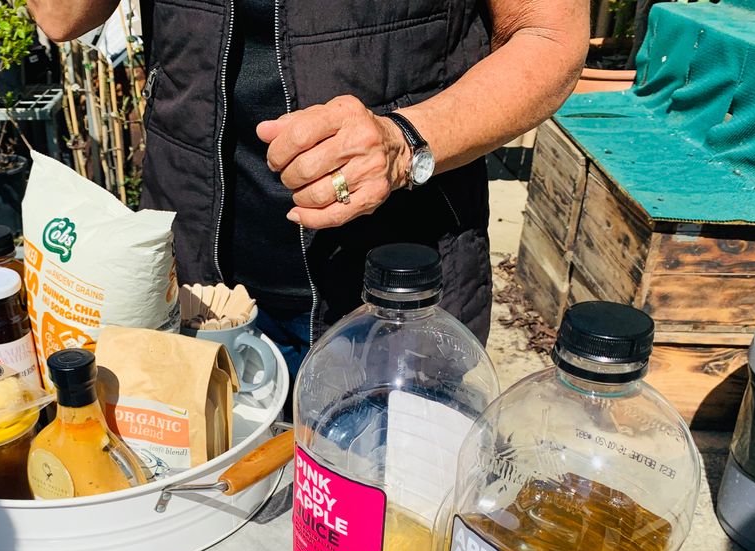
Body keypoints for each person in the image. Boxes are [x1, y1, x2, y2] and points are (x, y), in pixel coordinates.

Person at [31, 0, 589, 376]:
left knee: (385, 514)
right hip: (195, 289)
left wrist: (404, 142)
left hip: (390, 298)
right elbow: (59, 16)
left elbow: (551, 36)